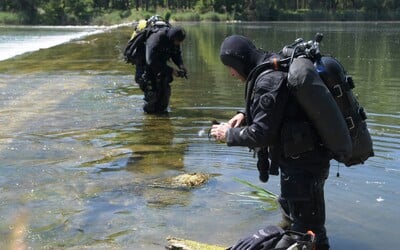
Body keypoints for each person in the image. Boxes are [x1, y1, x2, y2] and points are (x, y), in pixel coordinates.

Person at [210, 35, 332, 250]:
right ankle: (293, 236)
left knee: (311, 231)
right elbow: (280, 107)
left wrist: (228, 134)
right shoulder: (271, 63)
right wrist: (244, 115)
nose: (230, 72)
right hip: (303, 156)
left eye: (230, 67)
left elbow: (262, 135)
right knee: (291, 210)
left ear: (239, 62)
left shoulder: (268, 79)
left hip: (304, 163)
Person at [141, 25, 187, 113]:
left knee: (164, 95)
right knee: (152, 96)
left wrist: (181, 66)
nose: (179, 43)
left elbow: (176, 54)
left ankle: (162, 118)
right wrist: (172, 71)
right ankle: (149, 119)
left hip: (160, 67)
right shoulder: (155, 39)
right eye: (178, 41)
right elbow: (151, 61)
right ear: (173, 38)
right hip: (145, 66)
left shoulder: (173, 40)